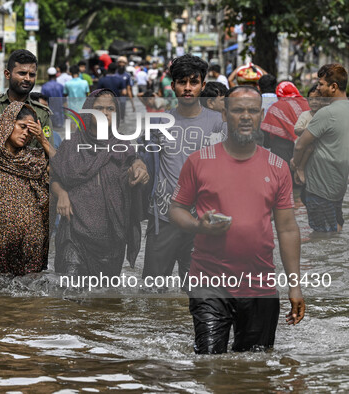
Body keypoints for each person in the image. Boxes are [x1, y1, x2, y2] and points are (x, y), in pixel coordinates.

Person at [169, 86, 305, 354]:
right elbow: (176, 209)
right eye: (238, 110)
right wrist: (198, 225)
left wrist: (295, 286)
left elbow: (288, 229)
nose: (246, 116)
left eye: (252, 111)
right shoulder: (199, 162)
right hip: (208, 282)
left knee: (254, 367)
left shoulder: (277, 166)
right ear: (224, 114)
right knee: (209, 362)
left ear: (261, 116)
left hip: (260, 286)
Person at [139, 54, 226, 283]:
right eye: (182, 82)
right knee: (153, 293)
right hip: (163, 219)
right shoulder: (158, 123)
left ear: (202, 85)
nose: (188, 88)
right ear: (173, 85)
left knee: (200, 293)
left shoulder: (220, 123)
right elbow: (135, 155)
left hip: (203, 220)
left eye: (194, 82)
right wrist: (136, 166)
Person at [51, 89, 149, 277]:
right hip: (75, 233)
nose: (105, 113)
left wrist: (138, 174)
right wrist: (62, 194)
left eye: (110, 108)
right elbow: (55, 178)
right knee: (69, 294)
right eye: (99, 108)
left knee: (105, 300)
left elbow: (134, 173)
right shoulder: (71, 145)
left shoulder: (124, 147)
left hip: (111, 237)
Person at [0, 102, 51, 276]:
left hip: (29, 249)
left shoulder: (34, 159)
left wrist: (42, 139)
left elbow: (66, 169)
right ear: (9, 123)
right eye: (22, 126)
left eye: (30, 131)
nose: (25, 133)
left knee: (28, 299)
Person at [291, 63, 349, 233]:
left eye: (321, 84)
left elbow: (301, 144)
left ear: (333, 87)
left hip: (319, 187)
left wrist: (297, 167)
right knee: (335, 229)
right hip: (339, 185)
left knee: (321, 237)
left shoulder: (326, 113)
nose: (318, 88)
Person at [0, 49, 52, 142]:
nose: (27, 78)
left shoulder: (41, 113)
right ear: (7, 74)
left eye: (32, 75)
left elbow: (48, 152)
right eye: (22, 73)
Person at [261, 82, 310, 169]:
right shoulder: (308, 104)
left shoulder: (276, 107)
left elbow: (266, 141)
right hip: (307, 153)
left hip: (282, 155)